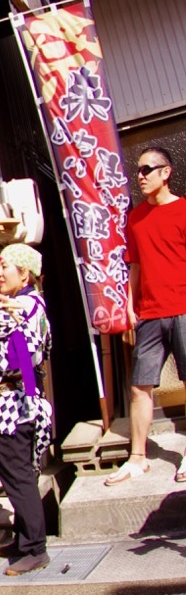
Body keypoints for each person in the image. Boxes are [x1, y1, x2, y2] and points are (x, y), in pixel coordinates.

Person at [0, 243, 52, 576]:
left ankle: (35, 549)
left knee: (18, 478)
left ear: (25, 274)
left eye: (6, 268)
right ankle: (23, 539)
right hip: (26, 399)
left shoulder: (15, 306)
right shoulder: (37, 304)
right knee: (21, 475)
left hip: (13, 406)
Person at [107, 146, 186, 486]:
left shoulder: (183, 210)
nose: (140, 176)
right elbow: (135, 265)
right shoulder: (136, 218)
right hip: (150, 312)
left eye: (147, 169)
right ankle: (137, 458)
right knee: (140, 386)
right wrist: (129, 304)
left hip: (184, 307)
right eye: (137, 171)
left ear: (165, 172)